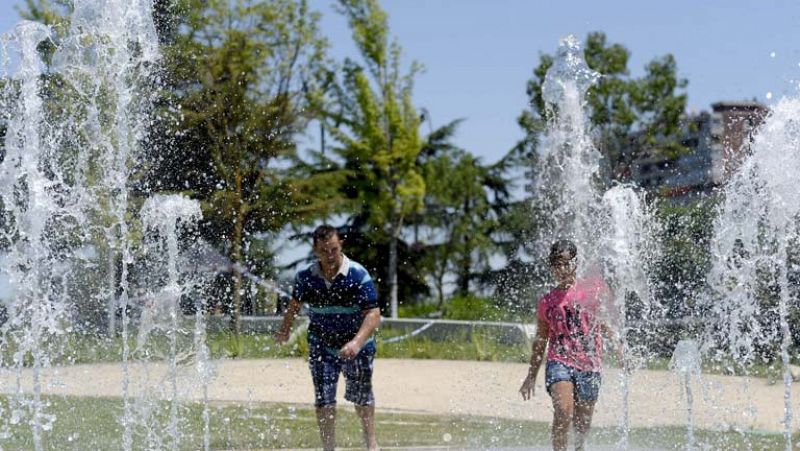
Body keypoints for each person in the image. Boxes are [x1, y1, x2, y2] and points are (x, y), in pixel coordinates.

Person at [275, 225, 381, 451]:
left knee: (361, 398)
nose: (330, 255)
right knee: (324, 400)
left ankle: (371, 445)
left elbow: (373, 314)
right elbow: (294, 305)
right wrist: (284, 329)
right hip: (321, 345)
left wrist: (356, 342)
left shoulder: (358, 274)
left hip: (358, 346)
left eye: (333, 249)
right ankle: (329, 448)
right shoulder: (305, 277)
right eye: (324, 251)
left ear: (340, 244)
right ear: (315, 250)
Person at [519, 239, 619, 451]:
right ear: (551, 266)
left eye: (567, 263)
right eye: (557, 264)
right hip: (559, 362)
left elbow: (605, 324)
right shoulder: (547, 301)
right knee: (564, 412)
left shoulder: (591, 292)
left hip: (589, 364)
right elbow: (540, 340)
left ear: (576, 263)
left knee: (582, 425)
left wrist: (621, 349)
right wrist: (531, 375)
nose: (562, 269)